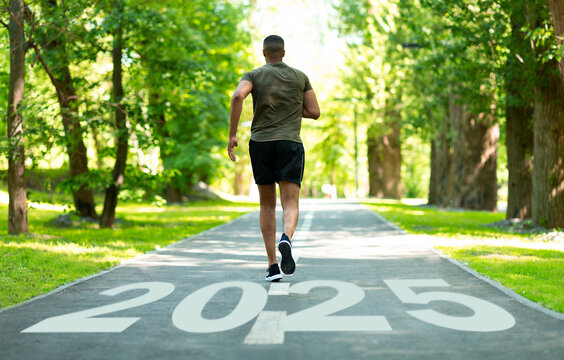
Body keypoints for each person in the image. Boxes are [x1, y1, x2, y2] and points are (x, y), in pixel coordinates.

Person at [228, 35, 320, 282]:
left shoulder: (254, 75)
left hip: (261, 144)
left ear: (264, 53)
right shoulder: (300, 77)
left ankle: (272, 265)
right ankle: (286, 238)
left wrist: (232, 136)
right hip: (290, 143)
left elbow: (237, 97)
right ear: (284, 53)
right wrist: (290, 108)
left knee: (266, 204)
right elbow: (314, 111)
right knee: (290, 203)